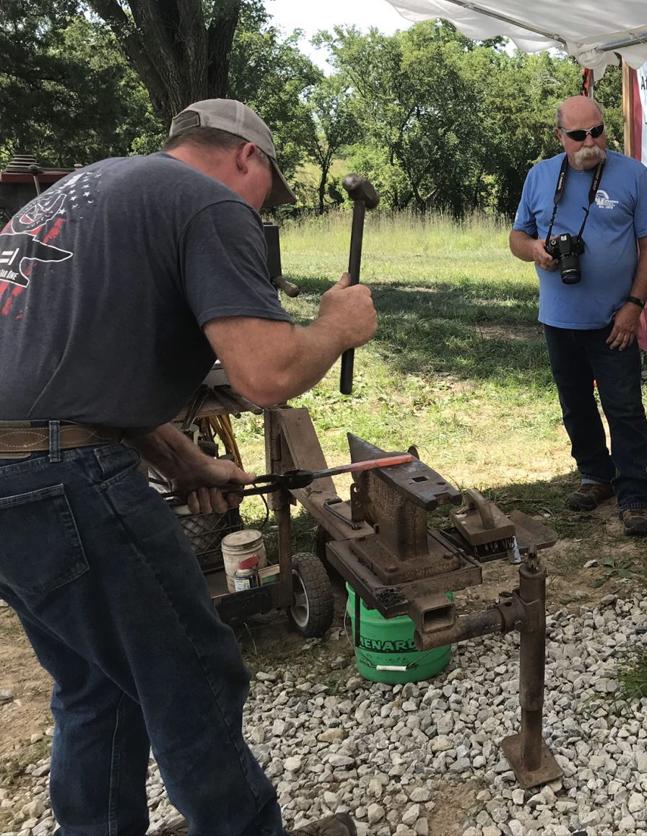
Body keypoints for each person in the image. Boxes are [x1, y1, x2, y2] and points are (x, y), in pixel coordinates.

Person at [0, 99, 377, 836]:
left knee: (99, 685)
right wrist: (335, 326)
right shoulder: (209, 203)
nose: (263, 202)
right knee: (193, 675)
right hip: (58, 480)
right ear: (247, 158)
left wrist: (186, 460)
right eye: (270, 184)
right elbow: (265, 375)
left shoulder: (87, 191)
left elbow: (66, 381)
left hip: (18, 477)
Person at [509, 95, 647, 536]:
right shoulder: (539, 177)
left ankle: (634, 491)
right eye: (578, 135)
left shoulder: (633, 175)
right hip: (559, 318)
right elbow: (517, 236)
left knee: (624, 406)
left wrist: (634, 307)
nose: (590, 142)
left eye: (597, 130)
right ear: (559, 136)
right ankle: (595, 475)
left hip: (616, 318)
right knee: (575, 404)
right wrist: (535, 250)